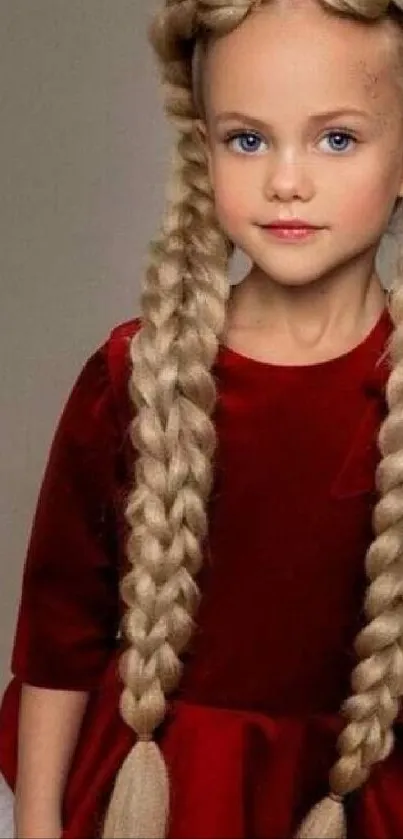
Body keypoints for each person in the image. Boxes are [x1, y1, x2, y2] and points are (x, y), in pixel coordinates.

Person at [1, 0, 403, 836]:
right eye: (246, 138)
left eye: (336, 138)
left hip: (351, 797)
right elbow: (56, 642)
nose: (285, 179)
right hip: (157, 801)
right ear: (203, 148)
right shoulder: (133, 377)